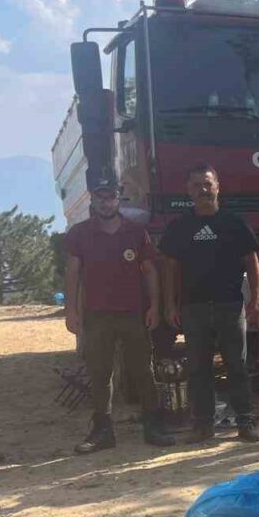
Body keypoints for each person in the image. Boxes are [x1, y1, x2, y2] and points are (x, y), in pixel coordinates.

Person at [63, 182, 175, 453]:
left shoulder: (136, 232)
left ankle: (153, 425)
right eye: (100, 198)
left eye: (110, 197)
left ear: (118, 199)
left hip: (132, 313)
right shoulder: (79, 233)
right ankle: (102, 431)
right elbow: (72, 274)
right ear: (93, 200)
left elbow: (149, 271)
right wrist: (71, 312)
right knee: (100, 373)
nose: (105, 202)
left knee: (143, 371)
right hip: (96, 315)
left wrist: (154, 307)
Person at [160, 164, 259, 443]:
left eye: (207, 184)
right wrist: (169, 305)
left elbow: (252, 263)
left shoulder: (234, 223)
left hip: (230, 305)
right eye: (196, 185)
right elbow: (169, 269)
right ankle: (202, 425)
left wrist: (257, 298)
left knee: (237, 366)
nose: (202, 190)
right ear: (188, 190)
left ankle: (246, 422)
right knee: (198, 368)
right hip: (193, 308)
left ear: (218, 186)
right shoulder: (179, 227)